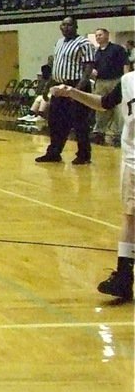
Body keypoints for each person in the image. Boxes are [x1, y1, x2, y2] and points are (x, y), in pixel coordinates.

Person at [50, 71, 135, 301]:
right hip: (133, 161)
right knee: (130, 216)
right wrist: (74, 93)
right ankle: (124, 277)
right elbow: (104, 104)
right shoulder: (128, 81)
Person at [36, 16, 95, 165]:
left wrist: (77, 91)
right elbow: (56, 67)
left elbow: (88, 69)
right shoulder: (59, 42)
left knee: (79, 122)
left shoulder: (84, 43)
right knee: (55, 122)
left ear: (75, 26)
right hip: (59, 85)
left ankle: (84, 155)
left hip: (75, 85)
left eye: (69, 25)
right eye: (63, 25)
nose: (65, 27)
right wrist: (47, 86)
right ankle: (54, 153)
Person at [90, 28, 126, 147]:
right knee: (100, 106)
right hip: (100, 82)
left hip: (115, 81)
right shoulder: (96, 52)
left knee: (117, 108)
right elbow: (93, 66)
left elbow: (125, 64)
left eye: (100, 35)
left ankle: (118, 133)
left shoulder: (117, 49)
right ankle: (99, 131)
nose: (98, 37)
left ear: (107, 35)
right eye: (96, 35)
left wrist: (125, 80)